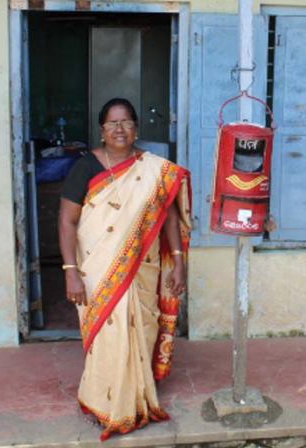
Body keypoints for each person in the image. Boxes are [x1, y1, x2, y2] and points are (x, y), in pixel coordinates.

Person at [58, 98, 191, 440]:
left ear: (136, 128)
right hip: (97, 270)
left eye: (126, 122)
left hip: (142, 269)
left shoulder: (154, 170)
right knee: (107, 334)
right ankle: (103, 402)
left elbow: (171, 216)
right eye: (112, 123)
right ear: (101, 130)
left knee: (139, 329)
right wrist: (70, 270)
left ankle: (135, 398)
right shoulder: (85, 167)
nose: (119, 129)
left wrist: (177, 260)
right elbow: (67, 221)